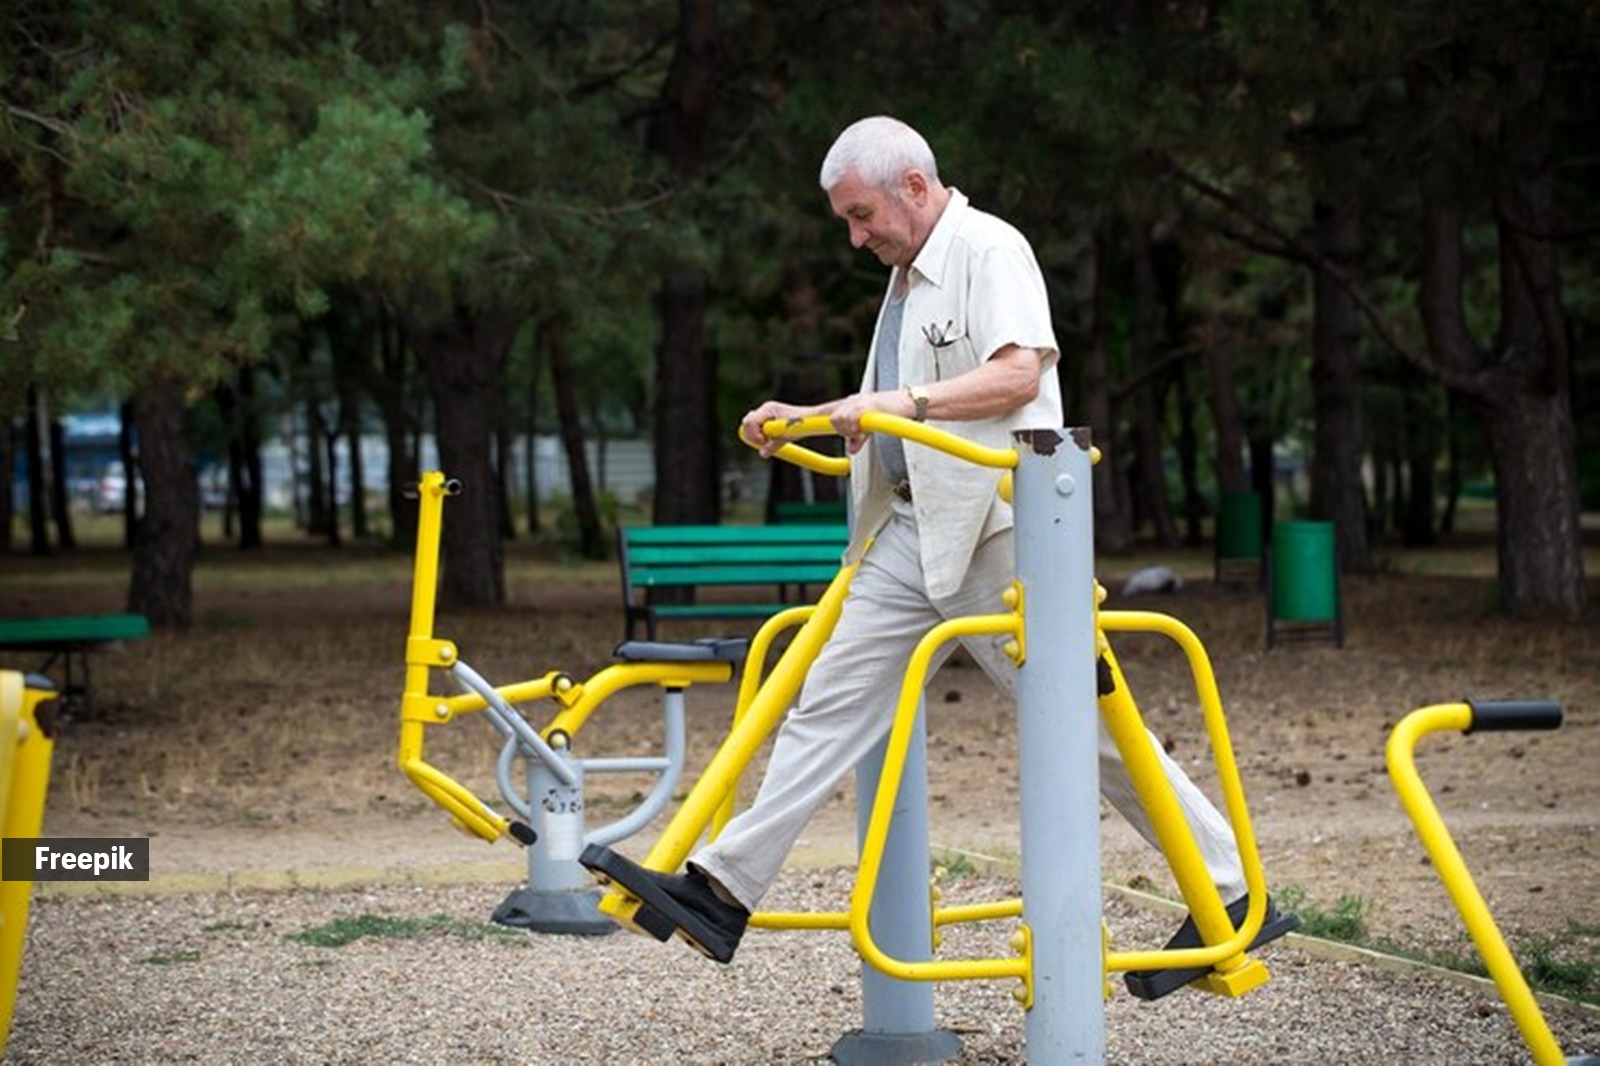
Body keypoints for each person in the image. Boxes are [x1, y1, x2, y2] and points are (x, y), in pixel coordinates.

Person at [582, 115, 1294, 998]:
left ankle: (1232, 893)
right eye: (845, 219)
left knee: (1093, 735)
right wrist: (801, 418)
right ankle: (725, 891)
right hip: (910, 531)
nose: (855, 235)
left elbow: (1016, 376)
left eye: (860, 213)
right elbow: (888, 411)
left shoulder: (989, 249)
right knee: (825, 704)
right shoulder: (907, 280)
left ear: (914, 187)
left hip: (1002, 533)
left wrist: (898, 401)